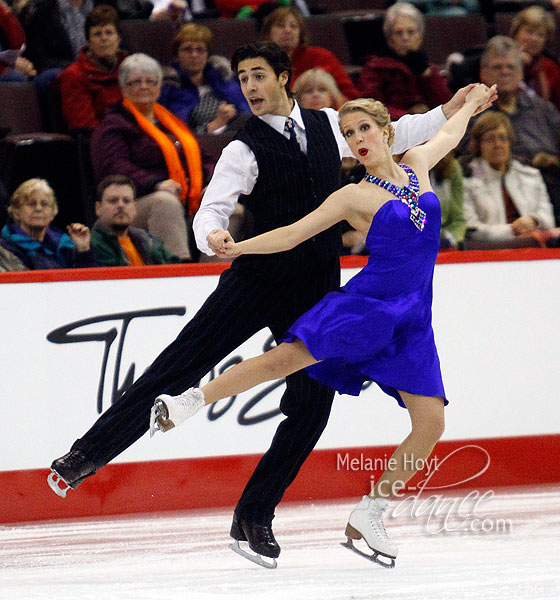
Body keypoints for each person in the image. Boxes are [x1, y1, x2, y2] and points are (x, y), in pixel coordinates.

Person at [47, 41, 492, 567]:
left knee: (310, 406)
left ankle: (254, 515)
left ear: (284, 77)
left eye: (258, 75)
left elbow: (409, 132)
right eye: (242, 78)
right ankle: (87, 455)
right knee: (181, 362)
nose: (250, 87)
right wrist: (214, 235)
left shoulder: (333, 125)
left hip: (316, 280)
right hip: (258, 277)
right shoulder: (242, 147)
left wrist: (457, 105)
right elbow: (213, 207)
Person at [90, 53, 203, 260]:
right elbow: (113, 166)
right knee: (165, 202)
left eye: (151, 81)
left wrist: (210, 184)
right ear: (123, 88)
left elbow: (201, 157)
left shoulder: (171, 122)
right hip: (137, 201)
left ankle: (219, 276)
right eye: (135, 82)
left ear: (159, 88)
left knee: (230, 209)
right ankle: (177, 271)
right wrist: (155, 184)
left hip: (187, 200)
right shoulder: (114, 123)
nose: (144, 86)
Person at [464, 35, 560, 225]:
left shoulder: (544, 110)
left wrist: (554, 161)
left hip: (552, 190)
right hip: (496, 198)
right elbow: (465, 161)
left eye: (511, 67)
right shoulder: (471, 115)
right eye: (497, 67)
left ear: (521, 73)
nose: (505, 72)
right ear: (483, 73)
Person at [463, 111, 556, 247]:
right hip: (488, 252)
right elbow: (471, 228)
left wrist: (534, 221)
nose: (497, 144)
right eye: (490, 139)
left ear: (510, 141)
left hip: (534, 249)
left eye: (502, 138)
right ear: (478, 145)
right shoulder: (467, 178)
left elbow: (548, 217)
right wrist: (513, 230)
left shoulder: (530, 174)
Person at [358, 2, 452, 120]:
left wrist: (427, 76)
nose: (405, 38)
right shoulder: (375, 68)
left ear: (420, 36)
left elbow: (446, 104)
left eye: (411, 32)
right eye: (399, 33)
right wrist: (410, 117)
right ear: (389, 38)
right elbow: (371, 108)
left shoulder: (429, 68)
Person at [158, 23, 250, 135]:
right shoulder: (169, 86)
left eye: (200, 50)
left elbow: (247, 110)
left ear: (208, 55)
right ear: (177, 55)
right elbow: (173, 130)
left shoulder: (223, 79)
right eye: (187, 49)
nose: (194, 55)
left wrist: (233, 114)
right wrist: (214, 125)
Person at [260, 5, 360, 101]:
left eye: (294, 26)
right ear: (268, 33)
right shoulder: (258, 62)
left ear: (301, 33)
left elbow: (350, 96)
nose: (287, 30)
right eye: (280, 25)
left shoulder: (321, 57)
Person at [57, 5, 127, 133]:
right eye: (97, 34)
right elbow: (85, 126)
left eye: (109, 32)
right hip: (103, 141)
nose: (104, 38)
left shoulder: (130, 70)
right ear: (88, 42)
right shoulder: (74, 75)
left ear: (118, 39)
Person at [0, 178, 98, 269]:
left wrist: (84, 251)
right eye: (31, 204)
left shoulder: (65, 245)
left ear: (53, 213)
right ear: (16, 212)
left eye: (44, 204)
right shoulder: (6, 249)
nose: (38, 209)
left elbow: (92, 282)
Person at [91, 174, 184, 266]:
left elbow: (178, 269)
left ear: (134, 208)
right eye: (113, 200)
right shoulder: (90, 246)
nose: (121, 205)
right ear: (98, 208)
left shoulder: (150, 241)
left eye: (126, 201)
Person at [510, 5, 560, 113]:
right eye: (529, 31)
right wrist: (516, 63)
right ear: (516, 33)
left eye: (540, 35)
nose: (534, 39)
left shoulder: (550, 67)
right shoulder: (500, 61)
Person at [430, 151, 466, 249]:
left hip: (445, 241)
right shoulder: (406, 167)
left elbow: (458, 217)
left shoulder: (452, 167)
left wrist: (455, 239)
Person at [0, 0, 36, 82]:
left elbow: (18, 43)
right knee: (18, 79)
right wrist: (12, 61)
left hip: (8, 64)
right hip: (6, 68)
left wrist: (4, 13)